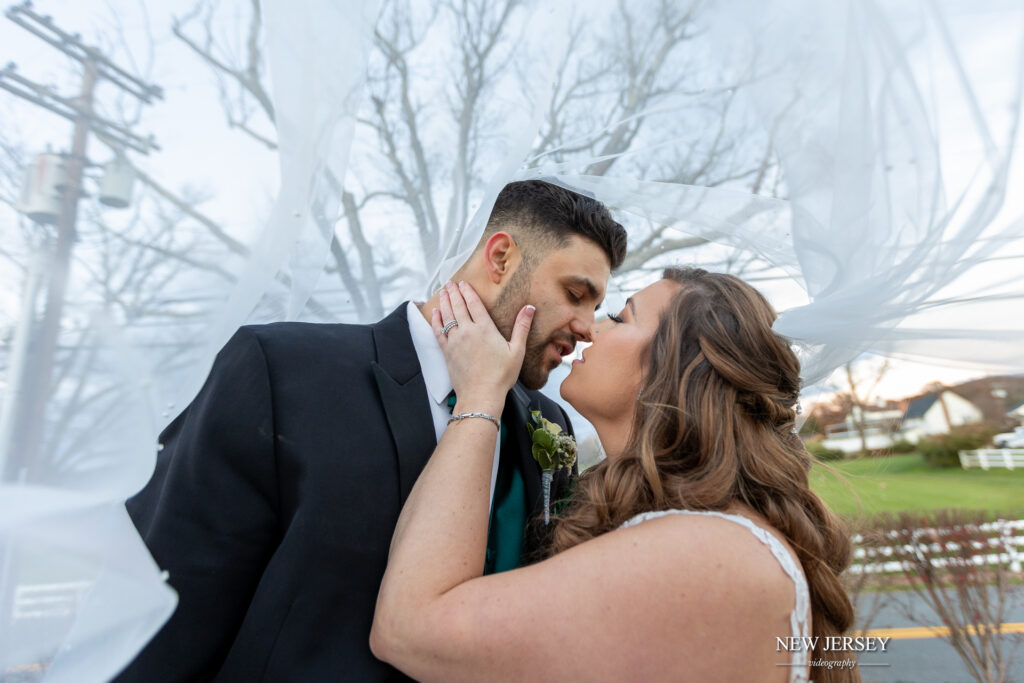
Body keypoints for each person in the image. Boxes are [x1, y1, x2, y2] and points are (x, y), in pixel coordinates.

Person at [115, 180, 627, 682]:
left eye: (597, 308)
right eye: (575, 294)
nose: (587, 326)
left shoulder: (549, 424)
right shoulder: (282, 371)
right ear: (500, 259)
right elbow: (169, 608)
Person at [371, 267, 858, 683]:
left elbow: (409, 627)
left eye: (621, 317)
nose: (590, 330)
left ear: (680, 367)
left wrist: (478, 396)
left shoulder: (705, 549)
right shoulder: (695, 531)